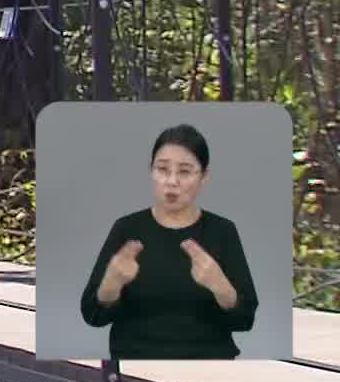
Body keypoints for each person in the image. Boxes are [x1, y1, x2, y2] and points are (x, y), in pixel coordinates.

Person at [78, 123, 259, 359]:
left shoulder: (222, 231)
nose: (171, 181)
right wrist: (112, 283)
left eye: (184, 172)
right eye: (162, 169)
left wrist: (219, 284)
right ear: (151, 171)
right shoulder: (127, 228)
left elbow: (245, 319)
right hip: (136, 369)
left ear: (204, 177)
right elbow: (92, 315)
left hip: (209, 371)